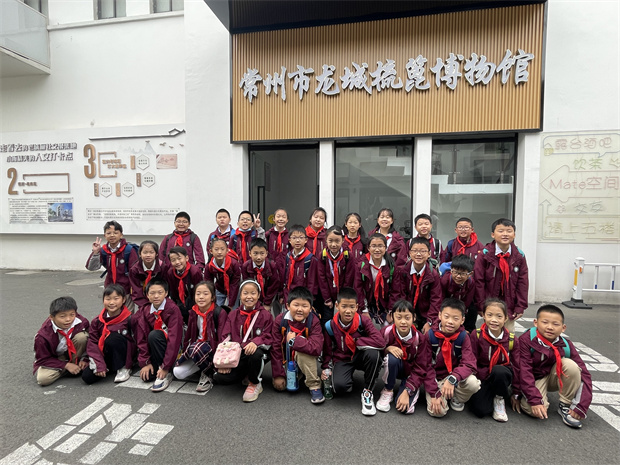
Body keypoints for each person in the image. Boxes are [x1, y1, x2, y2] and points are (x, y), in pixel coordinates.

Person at [518, 304, 592, 429]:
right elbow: (524, 372)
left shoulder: (566, 344)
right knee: (533, 410)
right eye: (545, 322)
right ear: (535, 323)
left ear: (563, 328)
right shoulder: (526, 340)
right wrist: (535, 400)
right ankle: (527, 395)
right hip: (534, 378)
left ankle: (565, 405)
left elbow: (584, 373)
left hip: (553, 377)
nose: (550, 327)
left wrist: (581, 406)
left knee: (571, 366)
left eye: (556, 324)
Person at [321, 287, 385, 416]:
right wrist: (325, 367)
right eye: (344, 306)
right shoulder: (330, 325)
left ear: (356, 307)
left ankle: (368, 391)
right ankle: (346, 378)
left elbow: (381, 342)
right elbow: (327, 350)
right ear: (337, 306)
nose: (348, 311)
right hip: (343, 358)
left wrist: (359, 341)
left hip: (361, 356)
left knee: (374, 354)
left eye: (351, 307)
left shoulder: (363, 321)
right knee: (339, 387)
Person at [214, 280, 274, 402]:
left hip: (258, 351)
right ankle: (246, 372)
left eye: (253, 293)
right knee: (220, 378)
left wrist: (256, 342)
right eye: (245, 293)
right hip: (239, 354)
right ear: (240, 295)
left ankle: (255, 382)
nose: (249, 297)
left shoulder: (266, 315)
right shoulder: (233, 314)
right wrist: (225, 361)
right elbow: (226, 336)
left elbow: (269, 335)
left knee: (255, 354)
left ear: (258, 295)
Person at [376, 300, 436, 414]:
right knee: (392, 358)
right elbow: (376, 348)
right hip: (395, 368)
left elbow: (421, 367)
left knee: (406, 409)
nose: (403, 322)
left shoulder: (420, 338)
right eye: (399, 317)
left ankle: (407, 388)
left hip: (411, 374)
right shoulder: (386, 332)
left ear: (414, 318)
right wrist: (387, 349)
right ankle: (388, 389)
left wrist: (408, 390)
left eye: (407, 318)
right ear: (392, 317)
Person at [426, 298, 480, 417]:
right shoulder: (430, 336)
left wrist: (453, 378)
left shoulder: (463, 337)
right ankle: (442, 394)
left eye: (455, 318)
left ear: (462, 320)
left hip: (455, 378)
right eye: (446, 317)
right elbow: (425, 366)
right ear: (440, 315)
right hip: (436, 379)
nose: (450, 322)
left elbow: (469, 363)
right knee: (438, 412)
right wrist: (434, 392)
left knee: (473, 383)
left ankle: (457, 397)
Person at [469, 298, 520, 422]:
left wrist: (516, 392)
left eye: (499, 316)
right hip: (483, 376)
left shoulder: (512, 339)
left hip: (501, 376)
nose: (494, 320)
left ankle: (499, 398)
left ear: (505, 318)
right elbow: (472, 360)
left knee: (499, 371)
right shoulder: (477, 335)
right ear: (483, 316)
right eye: (490, 315)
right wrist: (484, 376)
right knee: (480, 411)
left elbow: (517, 366)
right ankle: (490, 394)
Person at [270, 286, 325, 403]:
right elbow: (275, 348)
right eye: (296, 305)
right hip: (287, 360)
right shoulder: (280, 320)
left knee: (302, 352)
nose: (300, 309)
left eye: (304, 306)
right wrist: (278, 374)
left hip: (305, 357)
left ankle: (314, 385)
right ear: (288, 306)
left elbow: (317, 348)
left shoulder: (313, 321)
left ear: (310, 308)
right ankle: (295, 374)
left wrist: (294, 341)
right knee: (280, 386)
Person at [173, 281, 230, 392]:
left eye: (205, 294)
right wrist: (185, 352)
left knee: (197, 348)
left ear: (213, 297)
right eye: (198, 294)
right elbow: (189, 336)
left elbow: (223, 338)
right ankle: (202, 365)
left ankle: (207, 373)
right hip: (197, 348)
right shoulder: (193, 312)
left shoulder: (219, 312)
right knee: (177, 372)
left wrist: (221, 360)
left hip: (213, 348)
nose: (201, 297)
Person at [474, 218, 529, 333]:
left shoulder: (519, 256)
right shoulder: (485, 254)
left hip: (509, 304)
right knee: (488, 334)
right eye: (501, 231)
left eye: (509, 231)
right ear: (493, 234)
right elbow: (479, 281)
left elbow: (523, 282)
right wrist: (481, 305)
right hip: (489, 303)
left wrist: (520, 306)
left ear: (514, 234)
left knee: (508, 334)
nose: (505, 234)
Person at [132, 280, 183, 392]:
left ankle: (167, 372)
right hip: (156, 349)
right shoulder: (145, 310)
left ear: (166, 293)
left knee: (154, 335)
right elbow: (141, 338)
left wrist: (165, 367)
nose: (156, 296)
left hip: (173, 351)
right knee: (148, 376)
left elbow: (174, 340)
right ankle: (159, 367)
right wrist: (145, 362)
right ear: (147, 295)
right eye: (152, 293)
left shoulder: (173, 309)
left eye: (160, 292)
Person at [82, 284, 135, 385]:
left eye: (116, 298)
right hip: (106, 354)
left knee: (113, 338)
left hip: (126, 355)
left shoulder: (130, 319)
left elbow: (139, 341)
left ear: (124, 300)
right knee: (87, 377)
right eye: (108, 299)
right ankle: (109, 367)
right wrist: (99, 364)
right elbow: (92, 343)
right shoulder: (97, 321)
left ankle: (123, 367)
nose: (111, 302)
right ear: (103, 300)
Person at [33, 296, 89, 386]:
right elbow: (42, 359)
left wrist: (86, 359)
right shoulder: (42, 336)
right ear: (52, 317)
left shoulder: (81, 321)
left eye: (72, 314)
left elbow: (92, 341)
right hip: (56, 358)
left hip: (75, 353)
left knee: (82, 337)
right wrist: (65, 365)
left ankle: (75, 365)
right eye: (62, 316)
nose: (68, 319)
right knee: (43, 379)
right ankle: (71, 368)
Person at [392, 237, 442, 334]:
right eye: (415, 251)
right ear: (410, 253)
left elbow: (436, 299)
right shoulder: (403, 271)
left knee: (429, 335)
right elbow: (401, 295)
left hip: (425, 314)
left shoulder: (433, 274)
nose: (418, 254)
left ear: (429, 254)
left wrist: (430, 321)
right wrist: (405, 317)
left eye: (423, 251)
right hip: (406, 312)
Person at [86, 220, 139, 310]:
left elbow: (135, 272)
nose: (112, 235)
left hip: (125, 290)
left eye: (115, 233)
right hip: (110, 289)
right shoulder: (103, 250)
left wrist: (135, 290)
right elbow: (92, 267)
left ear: (121, 235)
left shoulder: (129, 250)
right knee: (111, 313)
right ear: (105, 235)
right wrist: (95, 252)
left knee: (127, 314)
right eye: (109, 233)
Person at [353, 233, 396, 324]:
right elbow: (358, 289)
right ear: (368, 248)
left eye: (380, 246)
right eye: (374, 246)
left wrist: (391, 310)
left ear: (386, 248)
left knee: (388, 326)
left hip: (384, 303)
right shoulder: (361, 265)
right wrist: (364, 310)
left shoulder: (391, 266)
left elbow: (395, 290)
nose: (377, 249)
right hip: (366, 302)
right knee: (363, 325)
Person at [317, 226, 355, 326]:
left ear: (343, 240)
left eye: (337, 241)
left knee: (342, 319)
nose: (334, 244)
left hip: (342, 294)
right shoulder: (323, 255)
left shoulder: (348, 255)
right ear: (326, 240)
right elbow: (321, 278)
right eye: (330, 241)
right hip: (328, 295)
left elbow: (349, 277)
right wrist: (327, 298)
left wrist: (343, 297)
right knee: (327, 320)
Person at [164, 246, 203, 323]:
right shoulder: (170, 273)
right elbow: (173, 292)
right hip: (180, 302)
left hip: (194, 302)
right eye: (173, 260)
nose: (177, 262)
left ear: (186, 258)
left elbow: (200, 291)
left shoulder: (195, 272)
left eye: (179, 258)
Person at [241, 238, 281, 312]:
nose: (259, 257)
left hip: (269, 297)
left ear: (266, 253)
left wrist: (267, 303)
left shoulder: (272, 265)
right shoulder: (245, 266)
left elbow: (273, 285)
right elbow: (247, 285)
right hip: (252, 298)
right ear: (250, 253)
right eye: (255, 253)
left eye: (262, 253)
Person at [281, 224, 319, 303]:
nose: (297, 241)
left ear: (306, 240)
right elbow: (285, 278)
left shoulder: (310, 259)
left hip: (304, 298)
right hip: (289, 296)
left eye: (301, 237)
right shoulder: (288, 257)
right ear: (289, 240)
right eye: (294, 238)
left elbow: (312, 283)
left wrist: (309, 300)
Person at [440, 254, 477, 333]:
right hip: (446, 306)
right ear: (451, 270)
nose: (458, 276)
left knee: (473, 310)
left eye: (463, 273)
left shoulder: (471, 282)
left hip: (461, 305)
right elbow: (440, 298)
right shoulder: (445, 280)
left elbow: (468, 301)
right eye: (455, 272)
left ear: (470, 274)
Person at [204, 237, 242, 307]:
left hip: (234, 288)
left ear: (227, 250)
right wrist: (211, 298)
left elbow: (235, 284)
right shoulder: (209, 266)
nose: (219, 252)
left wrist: (230, 304)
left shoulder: (234, 264)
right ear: (211, 251)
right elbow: (208, 284)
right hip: (219, 288)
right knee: (217, 309)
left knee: (233, 310)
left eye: (222, 249)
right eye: (216, 249)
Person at [129, 240, 166, 310]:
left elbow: (165, 286)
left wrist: (160, 302)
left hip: (160, 300)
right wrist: (145, 306)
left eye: (151, 252)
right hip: (143, 302)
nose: (148, 255)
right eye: (145, 252)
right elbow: (136, 290)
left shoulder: (163, 267)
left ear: (156, 254)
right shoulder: (134, 269)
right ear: (140, 254)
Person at [265, 208, 290, 275]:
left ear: (287, 220)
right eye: (278, 216)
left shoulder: (290, 235)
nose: (281, 219)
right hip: (271, 267)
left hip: (285, 268)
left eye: (283, 217)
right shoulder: (268, 234)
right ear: (274, 219)